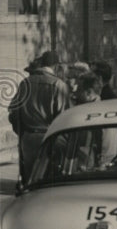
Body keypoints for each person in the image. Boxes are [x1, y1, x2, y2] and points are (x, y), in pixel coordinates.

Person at [8, 49, 71, 184]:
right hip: (51, 137)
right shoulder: (58, 85)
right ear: (56, 66)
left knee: (30, 182)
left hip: (28, 138)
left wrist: (22, 133)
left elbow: (13, 113)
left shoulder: (25, 83)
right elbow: (64, 116)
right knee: (51, 182)